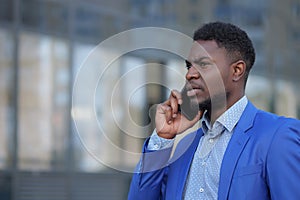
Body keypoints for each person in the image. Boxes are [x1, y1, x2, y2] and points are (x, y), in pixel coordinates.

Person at [128, 22, 300, 200]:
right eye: (189, 66)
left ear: (237, 70)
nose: (190, 74)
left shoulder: (277, 136)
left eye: (203, 64)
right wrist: (162, 138)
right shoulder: (185, 147)